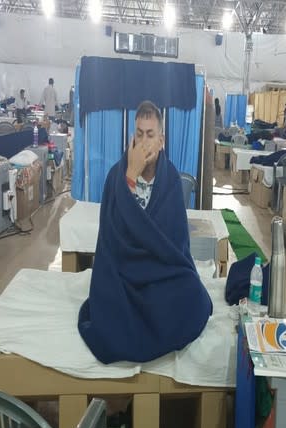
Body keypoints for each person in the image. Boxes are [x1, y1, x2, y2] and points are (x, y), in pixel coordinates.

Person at [78, 100, 212, 364]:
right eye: (139, 134)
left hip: (157, 272)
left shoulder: (171, 178)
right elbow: (110, 239)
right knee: (108, 313)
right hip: (122, 272)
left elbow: (174, 245)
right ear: (132, 138)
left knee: (193, 295)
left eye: (150, 135)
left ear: (161, 140)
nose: (144, 142)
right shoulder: (116, 176)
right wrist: (131, 175)